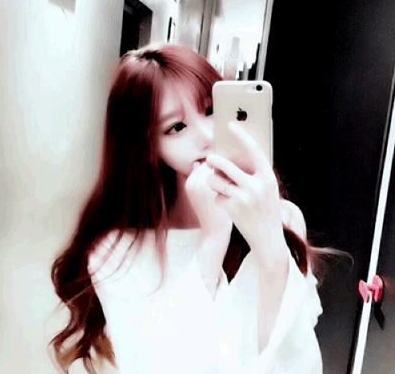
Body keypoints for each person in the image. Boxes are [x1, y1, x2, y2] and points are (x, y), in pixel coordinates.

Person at [49, 43, 336, 374]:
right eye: (176, 127)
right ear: (148, 148)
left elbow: (299, 362)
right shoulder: (115, 251)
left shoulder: (283, 217)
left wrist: (269, 242)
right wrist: (212, 242)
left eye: (211, 109)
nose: (207, 135)